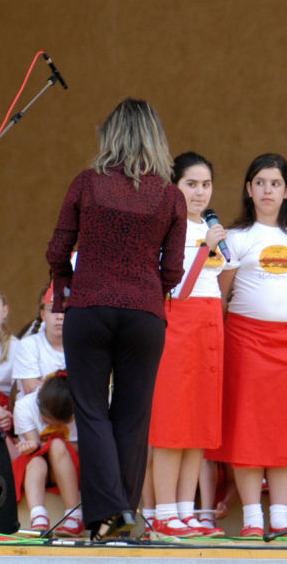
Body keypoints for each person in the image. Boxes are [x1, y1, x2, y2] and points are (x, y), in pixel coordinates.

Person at [46, 98, 186, 541]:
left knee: (91, 411)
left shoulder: (87, 183)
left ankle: (110, 517)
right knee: (133, 416)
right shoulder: (170, 195)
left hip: (90, 307)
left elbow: (57, 249)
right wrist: (148, 287)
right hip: (144, 313)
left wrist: (69, 283)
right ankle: (124, 519)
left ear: (110, 135)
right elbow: (173, 270)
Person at [209, 153, 287, 537]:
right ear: (248, 189)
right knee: (248, 428)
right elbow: (220, 295)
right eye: (260, 183)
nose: (267, 190)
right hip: (245, 341)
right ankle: (253, 517)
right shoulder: (236, 237)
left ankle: (281, 515)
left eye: (275, 183)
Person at [145, 152, 229, 538]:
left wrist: (212, 246)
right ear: (174, 186)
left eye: (206, 185)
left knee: (198, 425)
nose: (199, 192)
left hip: (209, 329)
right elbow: (177, 288)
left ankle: (186, 511)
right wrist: (204, 248)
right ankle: (164, 512)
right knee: (172, 423)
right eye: (191, 184)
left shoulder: (210, 229)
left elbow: (221, 284)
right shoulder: (166, 226)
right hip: (177, 329)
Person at [12, 371, 83, 537]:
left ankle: (74, 516)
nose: (50, 425)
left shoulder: (78, 408)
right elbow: (35, 447)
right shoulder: (24, 406)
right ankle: (38, 516)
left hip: (66, 464)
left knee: (57, 444)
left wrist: (52, 444)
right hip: (36, 464)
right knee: (37, 461)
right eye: (46, 420)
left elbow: (81, 447)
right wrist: (31, 446)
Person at [12, 286, 66, 400]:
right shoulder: (28, 345)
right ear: (43, 315)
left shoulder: (84, 347)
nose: (59, 316)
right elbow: (30, 389)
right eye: (52, 310)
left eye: (65, 310)